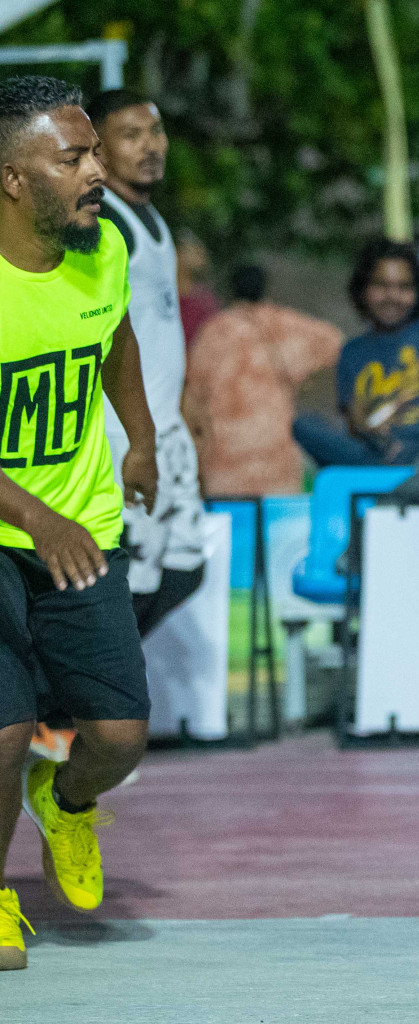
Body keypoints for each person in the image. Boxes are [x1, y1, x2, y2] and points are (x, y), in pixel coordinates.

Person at [0, 75, 160, 971]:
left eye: (95, 151)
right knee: (3, 727)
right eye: (74, 158)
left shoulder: (102, 251)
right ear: (15, 180)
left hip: (83, 523)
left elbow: (117, 336)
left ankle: (64, 805)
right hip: (9, 531)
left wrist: (138, 437)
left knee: (117, 736)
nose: (97, 170)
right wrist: (34, 517)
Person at [87, 89, 207, 638]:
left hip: (167, 430)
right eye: (131, 135)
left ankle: (79, 712)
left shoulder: (150, 216)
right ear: (99, 148)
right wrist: (135, 438)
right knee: (128, 584)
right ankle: (63, 712)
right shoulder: (100, 221)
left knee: (185, 571)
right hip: (124, 432)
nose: (151, 146)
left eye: (154, 132)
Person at [293, 238, 419, 471]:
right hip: (375, 456)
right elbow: (352, 422)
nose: (392, 296)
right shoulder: (352, 352)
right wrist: (360, 424)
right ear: (362, 289)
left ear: (418, 291)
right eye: (381, 286)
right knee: (303, 426)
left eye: (404, 287)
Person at [182, 263, 344, 496]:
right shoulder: (284, 324)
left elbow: (193, 392)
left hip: (225, 462)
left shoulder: (213, 332)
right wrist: (305, 380)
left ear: (231, 290)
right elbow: (334, 341)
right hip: (277, 459)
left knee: (233, 528)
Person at [175, 229, 220, 352]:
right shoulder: (166, 297)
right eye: (194, 249)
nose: (201, 254)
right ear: (177, 252)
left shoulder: (204, 301)